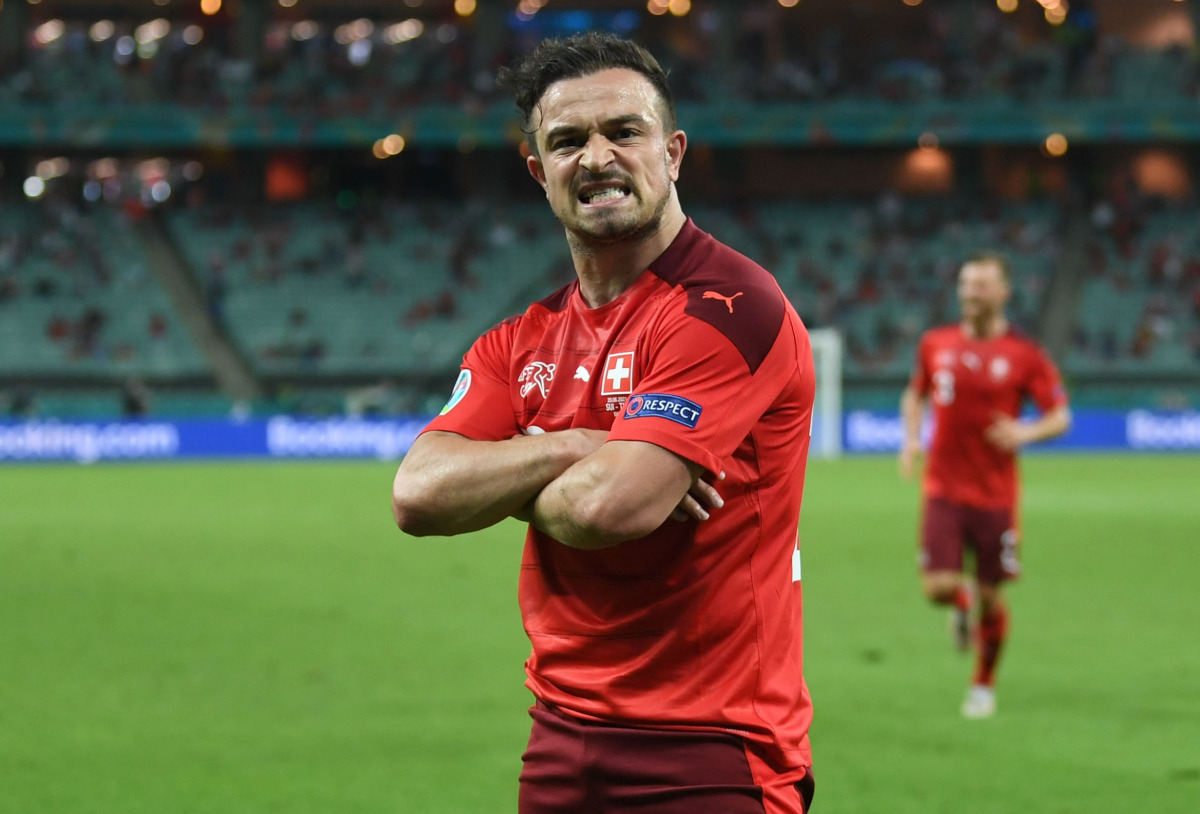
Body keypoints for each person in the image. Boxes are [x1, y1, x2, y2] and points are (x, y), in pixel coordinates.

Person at [391, 32, 816, 814]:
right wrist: (582, 445)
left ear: (673, 151)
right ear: (538, 172)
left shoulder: (728, 307)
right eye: (567, 141)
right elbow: (418, 494)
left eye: (624, 131)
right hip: (559, 737)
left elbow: (609, 509)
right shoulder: (519, 339)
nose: (596, 157)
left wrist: (515, 463)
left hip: (711, 751)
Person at [899, 253, 1071, 719]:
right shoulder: (936, 343)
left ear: (1003, 292)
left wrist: (1025, 432)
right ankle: (961, 602)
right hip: (943, 490)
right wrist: (911, 440)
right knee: (936, 588)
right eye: (966, 284)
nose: (970, 293)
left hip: (995, 497)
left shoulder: (1024, 354)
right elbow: (915, 394)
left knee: (994, 597)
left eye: (980, 285)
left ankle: (983, 684)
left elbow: (1060, 415)